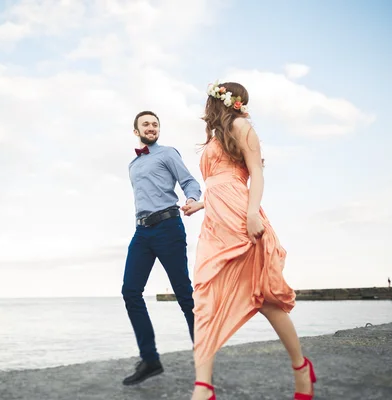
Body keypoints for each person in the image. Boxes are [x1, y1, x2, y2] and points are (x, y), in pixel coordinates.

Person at [181, 82, 317, 400]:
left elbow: (255, 172)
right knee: (204, 299)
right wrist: (200, 204)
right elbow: (218, 183)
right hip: (216, 224)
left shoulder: (242, 126)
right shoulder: (217, 137)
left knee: (267, 302)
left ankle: (301, 369)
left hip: (242, 220)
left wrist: (253, 213)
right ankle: (203, 386)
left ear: (221, 101)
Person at [121, 110, 202, 386]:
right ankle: (150, 360)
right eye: (146, 124)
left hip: (168, 227)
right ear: (136, 131)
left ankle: (204, 358)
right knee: (130, 291)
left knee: (184, 295)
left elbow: (189, 182)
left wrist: (192, 199)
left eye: (155, 124)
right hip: (142, 232)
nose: (151, 127)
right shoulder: (132, 164)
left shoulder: (167, 153)